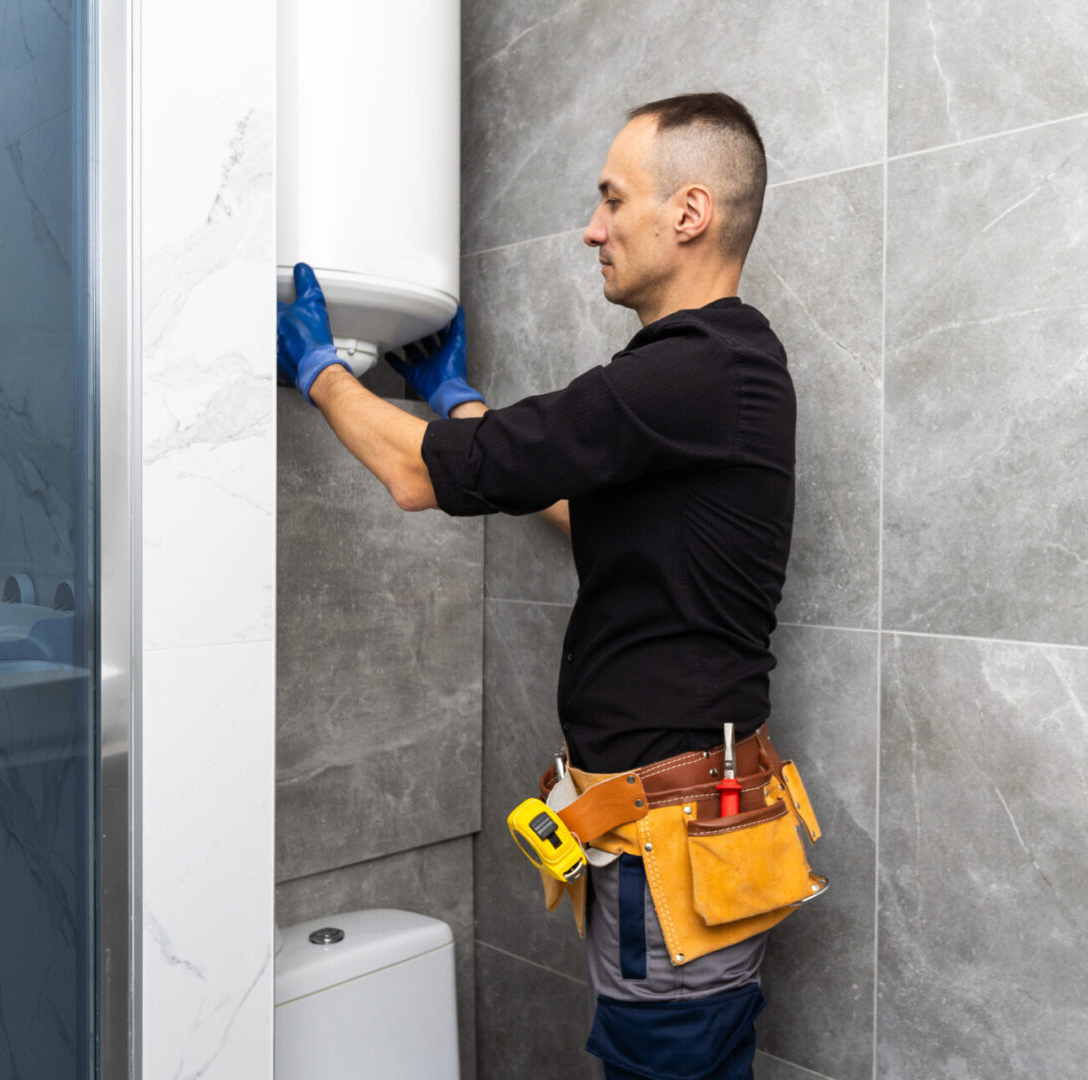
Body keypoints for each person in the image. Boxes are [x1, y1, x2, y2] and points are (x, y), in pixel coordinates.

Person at [278, 91, 810, 1080]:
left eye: (612, 200)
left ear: (687, 213)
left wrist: (321, 373)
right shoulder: (716, 372)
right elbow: (588, 503)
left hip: (673, 851)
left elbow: (417, 476)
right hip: (674, 839)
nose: (591, 228)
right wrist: (456, 402)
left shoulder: (692, 369)